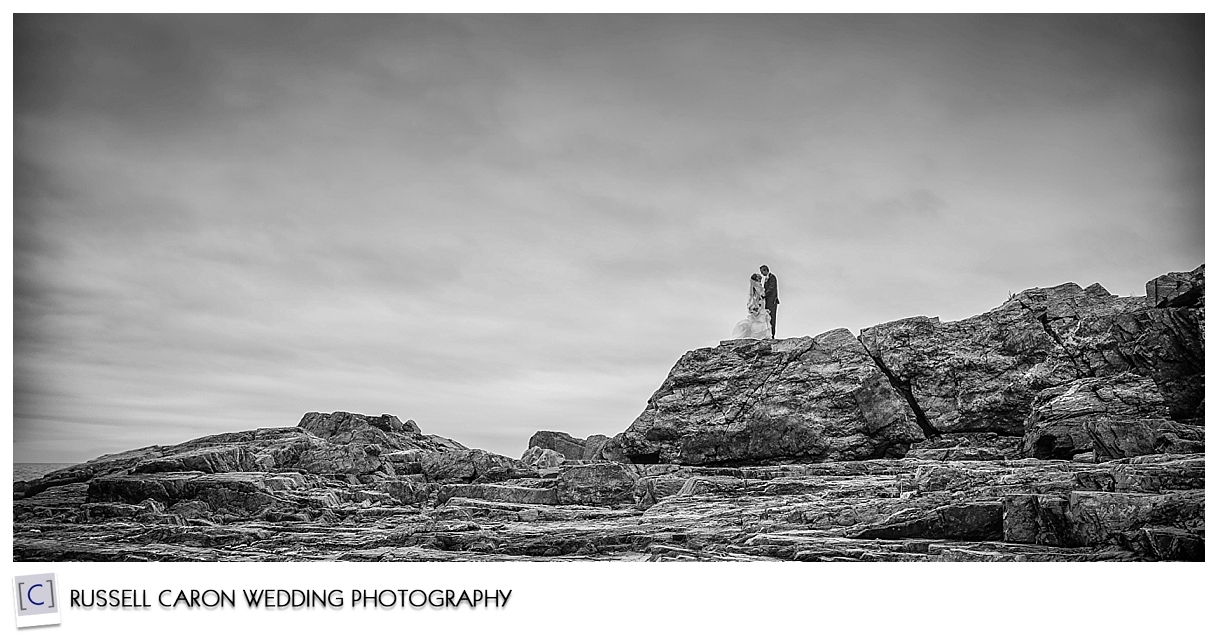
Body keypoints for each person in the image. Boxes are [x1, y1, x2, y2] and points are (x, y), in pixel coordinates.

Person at [730, 273, 773, 340]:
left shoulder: (758, 287)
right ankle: (760, 337)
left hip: (761, 306)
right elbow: (755, 297)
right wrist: (756, 306)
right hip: (758, 307)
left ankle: (764, 337)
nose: (760, 281)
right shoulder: (756, 288)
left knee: (764, 319)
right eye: (759, 279)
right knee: (760, 321)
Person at [760, 265, 779, 338]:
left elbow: (771, 288)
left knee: (772, 318)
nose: (762, 274)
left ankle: (772, 335)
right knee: (768, 318)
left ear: (765, 270)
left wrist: (764, 294)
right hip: (767, 302)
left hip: (772, 302)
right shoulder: (766, 279)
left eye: (762, 272)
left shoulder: (772, 277)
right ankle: (768, 334)